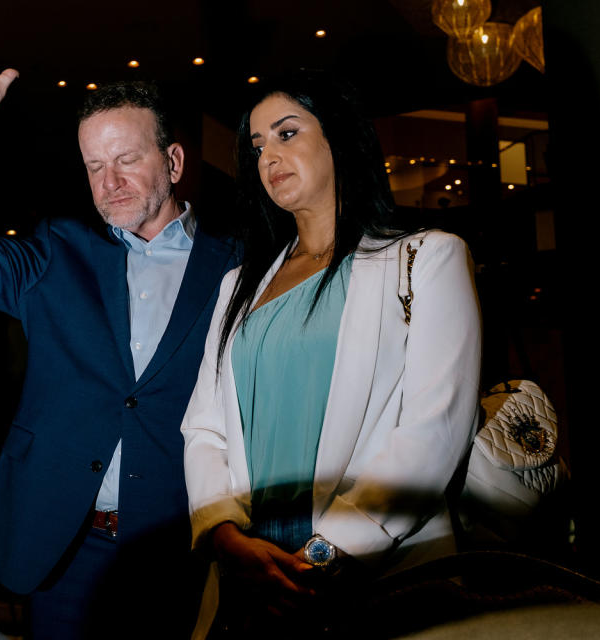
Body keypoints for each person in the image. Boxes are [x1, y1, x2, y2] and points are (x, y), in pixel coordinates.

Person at [0, 14, 239, 638]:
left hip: (174, 550)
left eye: (126, 159)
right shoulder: (55, 254)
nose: (108, 182)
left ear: (172, 160)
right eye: (94, 166)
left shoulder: (236, 268)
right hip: (63, 548)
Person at [180, 73, 482, 636]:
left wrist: (324, 557)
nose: (269, 154)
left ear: (338, 140)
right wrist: (225, 538)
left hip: (376, 572)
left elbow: (433, 431)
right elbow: (204, 430)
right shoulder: (237, 287)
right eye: (257, 146)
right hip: (249, 571)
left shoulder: (426, 259)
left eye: (287, 133)